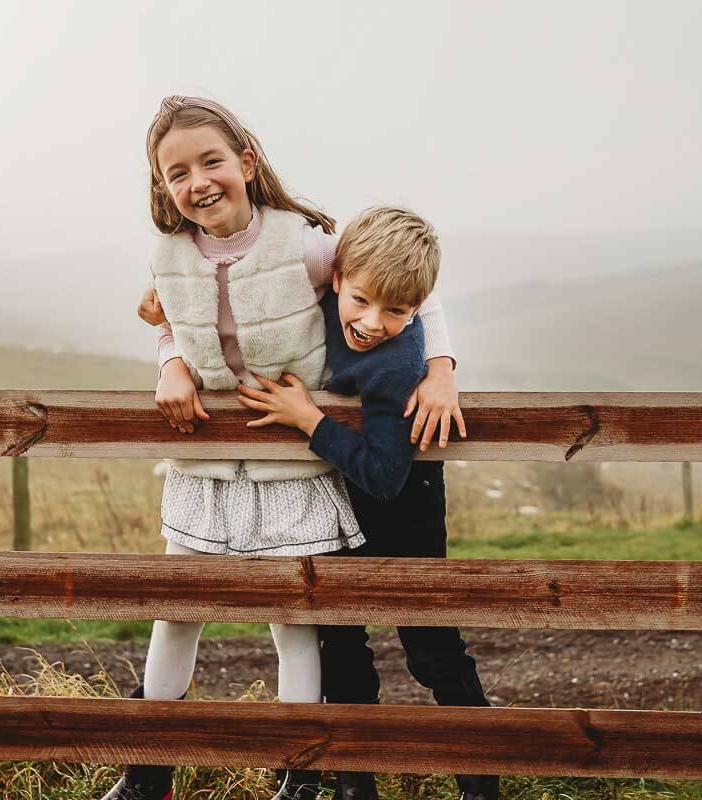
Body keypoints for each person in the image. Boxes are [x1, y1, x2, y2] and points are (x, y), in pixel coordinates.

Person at [106, 96, 462, 800]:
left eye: (211, 161)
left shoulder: (303, 242)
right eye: (177, 172)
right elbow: (175, 320)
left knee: (294, 622)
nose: (198, 181)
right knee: (176, 614)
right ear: (162, 186)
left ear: (246, 162)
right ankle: (150, 771)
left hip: (291, 464)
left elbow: (402, 287)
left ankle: (296, 775)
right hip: (205, 465)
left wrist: (442, 368)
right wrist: (169, 362)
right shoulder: (169, 256)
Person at [237, 207, 498, 800]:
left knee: (431, 650)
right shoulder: (321, 302)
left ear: (416, 310)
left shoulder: (396, 361)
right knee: (342, 652)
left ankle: (483, 782)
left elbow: (385, 475)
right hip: (331, 508)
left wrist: (310, 420)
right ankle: (358, 787)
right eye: (361, 301)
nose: (373, 322)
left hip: (402, 509)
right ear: (336, 280)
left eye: (398, 312)